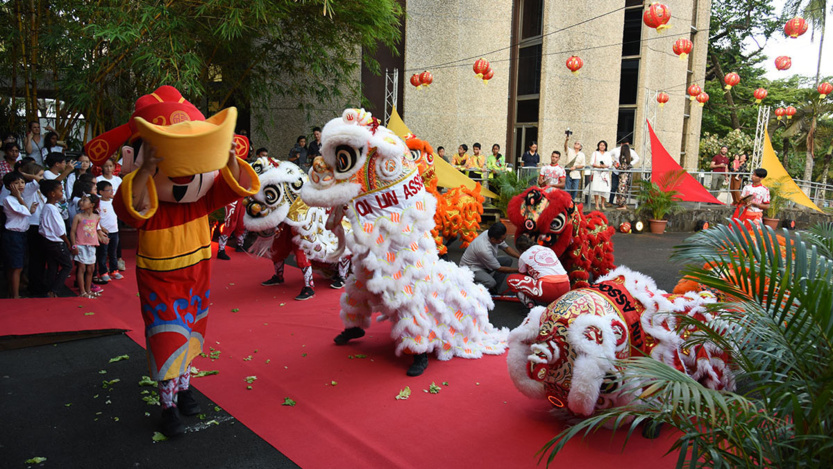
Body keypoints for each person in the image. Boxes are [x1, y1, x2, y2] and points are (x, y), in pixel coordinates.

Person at [506, 233, 570, 309]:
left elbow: (523, 275)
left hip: (546, 289)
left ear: (519, 249)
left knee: (511, 279)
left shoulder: (524, 256)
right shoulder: (548, 249)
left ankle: (529, 303)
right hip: (566, 287)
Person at [3, 171, 39, 298]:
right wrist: (19, 198)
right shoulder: (9, 199)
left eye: (22, 182)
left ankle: (12, 293)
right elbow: (24, 211)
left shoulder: (19, 199)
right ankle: (15, 295)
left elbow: (25, 213)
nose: (21, 185)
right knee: (16, 266)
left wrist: (30, 210)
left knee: (16, 265)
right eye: (16, 183)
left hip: (20, 234)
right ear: (8, 186)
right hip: (13, 235)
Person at [459, 222, 520, 294]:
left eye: (504, 239)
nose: (503, 241)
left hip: (483, 263)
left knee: (507, 260)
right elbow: (498, 268)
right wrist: (519, 270)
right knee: (490, 282)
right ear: (493, 239)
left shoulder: (491, 233)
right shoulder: (484, 249)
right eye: (502, 240)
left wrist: (520, 257)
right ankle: (468, 288)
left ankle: (493, 291)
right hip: (471, 269)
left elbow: (506, 248)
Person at [38, 179, 73, 298]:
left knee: (53, 266)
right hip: (56, 242)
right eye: (60, 190)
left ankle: (50, 289)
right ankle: (54, 289)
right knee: (67, 266)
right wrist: (67, 242)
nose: (62, 193)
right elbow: (59, 230)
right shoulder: (51, 209)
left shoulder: (48, 207)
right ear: (52, 194)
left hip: (48, 241)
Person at [70, 193, 104, 298]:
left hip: (92, 245)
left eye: (85, 200)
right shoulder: (78, 217)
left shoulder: (96, 217)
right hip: (80, 245)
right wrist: (74, 245)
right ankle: (82, 291)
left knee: (91, 269)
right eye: (82, 200)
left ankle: (88, 290)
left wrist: (102, 237)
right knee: (81, 268)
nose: (81, 202)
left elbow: (96, 230)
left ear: (92, 205)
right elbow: (72, 232)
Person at [95, 180, 121, 282]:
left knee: (113, 252)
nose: (111, 192)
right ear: (101, 192)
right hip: (104, 232)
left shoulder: (113, 201)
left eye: (112, 190)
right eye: (108, 190)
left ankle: (114, 270)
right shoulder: (98, 203)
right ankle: (103, 272)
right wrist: (101, 228)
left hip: (115, 230)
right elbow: (96, 218)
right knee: (103, 253)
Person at [609, 141, 639, 207]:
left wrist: (617, 166)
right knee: (616, 188)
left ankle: (623, 204)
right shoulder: (616, 151)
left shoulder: (627, 155)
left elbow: (624, 167)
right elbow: (608, 155)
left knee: (622, 189)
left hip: (623, 175)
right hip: (618, 173)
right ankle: (615, 202)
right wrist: (613, 162)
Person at [589, 140, 612, 211]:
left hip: (605, 173)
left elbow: (610, 163)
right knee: (596, 188)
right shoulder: (595, 153)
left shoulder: (608, 154)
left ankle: (602, 204)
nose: (602, 146)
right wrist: (599, 166)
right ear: (598, 146)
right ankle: (596, 204)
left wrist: (605, 166)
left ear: (605, 146)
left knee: (604, 189)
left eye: (603, 145)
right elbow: (592, 163)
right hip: (597, 172)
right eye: (601, 145)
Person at [563, 137, 585, 201]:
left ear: (580, 147)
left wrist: (575, 167)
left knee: (575, 189)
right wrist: (566, 140)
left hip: (576, 174)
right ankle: (567, 201)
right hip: (568, 172)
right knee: (567, 189)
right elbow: (565, 147)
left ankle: (572, 200)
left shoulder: (582, 154)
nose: (576, 144)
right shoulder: (570, 151)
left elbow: (583, 165)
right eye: (575, 143)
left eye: (578, 144)